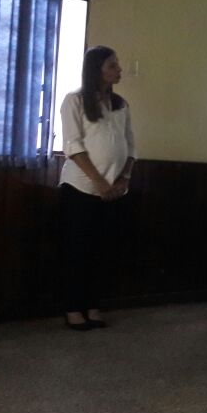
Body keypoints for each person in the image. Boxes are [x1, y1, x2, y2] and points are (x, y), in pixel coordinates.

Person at [58, 46, 136, 331]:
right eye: (112, 65)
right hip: (80, 189)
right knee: (77, 251)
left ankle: (93, 305)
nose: (119, 69)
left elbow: (130, 145)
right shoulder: (75, 100)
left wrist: (124, 177)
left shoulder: (121, 104)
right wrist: (99, 182)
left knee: (101, 252)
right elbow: (73, 146)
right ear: (97, 69)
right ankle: (73, 308)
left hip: (113, 191)